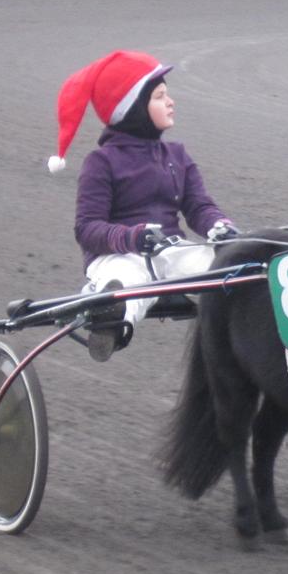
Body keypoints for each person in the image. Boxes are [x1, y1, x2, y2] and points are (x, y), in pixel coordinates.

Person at [48, 50, 238, 360]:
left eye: (167, 95)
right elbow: (86, 228)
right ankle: (111, 321)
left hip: (171, 251)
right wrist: (132, 238)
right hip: (117, 257)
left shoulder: (177, 155)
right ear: (134, 108)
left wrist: (221, 228)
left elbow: (200, 207)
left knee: (221, 269)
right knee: (129, 279)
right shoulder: (101, 162)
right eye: (160, 96)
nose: (171, 102)